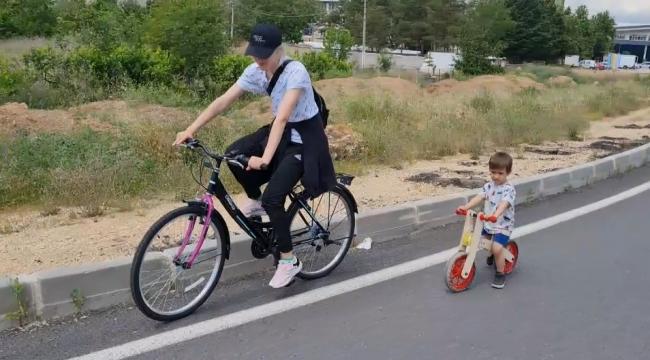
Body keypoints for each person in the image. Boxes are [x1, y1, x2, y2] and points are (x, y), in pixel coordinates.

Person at [173, 24, 336, 288]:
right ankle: (256, 200)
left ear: (278, 51)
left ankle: (288, 260)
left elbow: (283, 117)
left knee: (275, 198)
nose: (259, 59)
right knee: (234, 155)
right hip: (279, 133)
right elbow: (223, 101)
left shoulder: (296, 72)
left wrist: (265, 159)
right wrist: (190, 129)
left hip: (304, 139)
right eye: (255, 53)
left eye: (264, 54)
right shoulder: (256, 71)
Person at [456, 152, 516, 289]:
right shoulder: (489, 186)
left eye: (500, 173)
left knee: (496, 247)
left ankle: (500, 273)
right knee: (481, 241)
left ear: (508, 172)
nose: (495, 176)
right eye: (493, 172)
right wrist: (466, 207)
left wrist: (496, 214)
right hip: (488, 222)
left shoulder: (509, 189)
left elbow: (504, 204)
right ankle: (493, 255)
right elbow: (479, 197)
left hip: (503, 226)